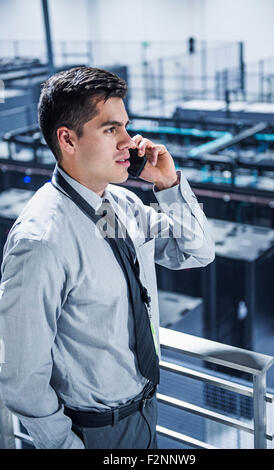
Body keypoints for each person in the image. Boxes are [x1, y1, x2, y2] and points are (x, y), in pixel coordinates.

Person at [0, 66, 215, 449]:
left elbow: (195, 250)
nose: (130, 143)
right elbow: (19, 377)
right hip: (92, 432)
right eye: (110, 129)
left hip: (146, 410)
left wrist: (167, 185)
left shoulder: (114, 208)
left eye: (126, 127)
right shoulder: (42, 241)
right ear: (67, 139)